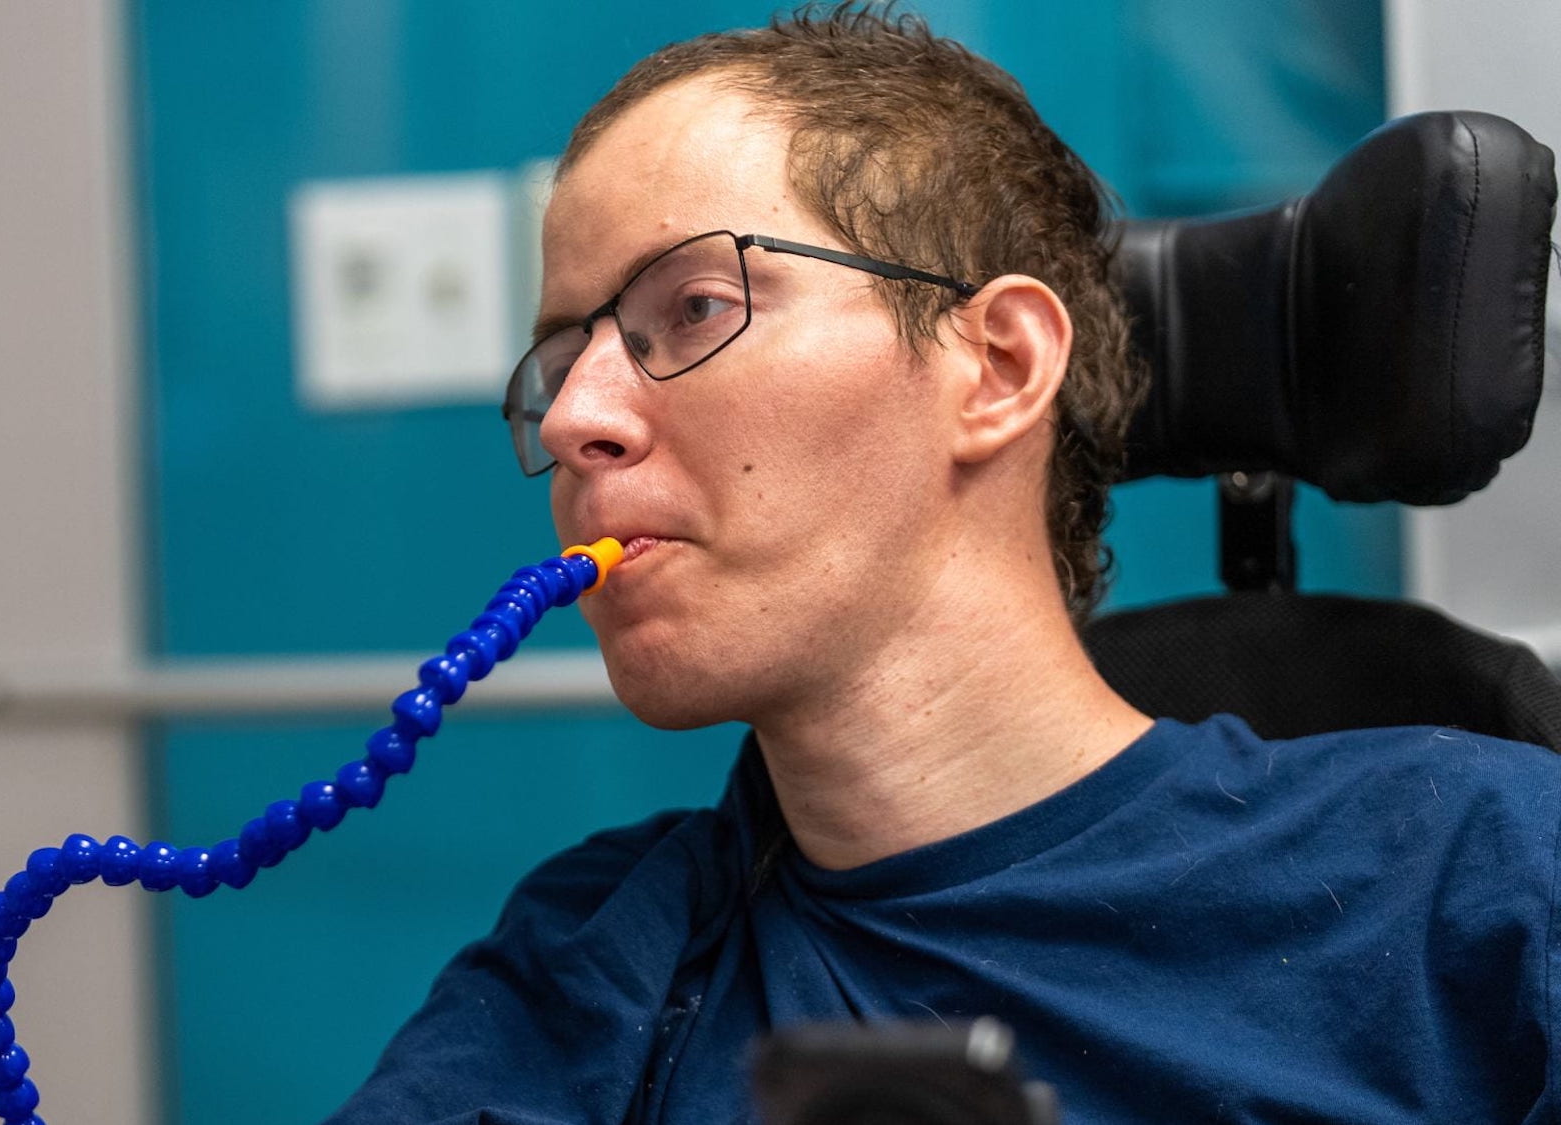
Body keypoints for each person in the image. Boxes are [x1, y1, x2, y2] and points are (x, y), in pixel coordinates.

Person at [328, 5, 1561, 1122]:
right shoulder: (588, 960)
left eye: (693, 308)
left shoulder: (1485, 875)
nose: (570, 418)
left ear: (999, 367)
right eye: (559, 358)